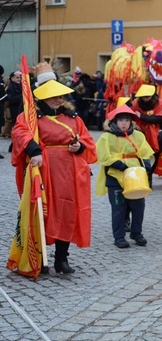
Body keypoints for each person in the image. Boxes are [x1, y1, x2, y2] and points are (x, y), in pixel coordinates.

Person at [11, 79, 97, 274]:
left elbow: (87, 140)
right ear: (43, 98)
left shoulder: (73, 118)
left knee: (66, 212)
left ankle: (61, 258)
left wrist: (80, 146)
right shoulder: (31, 117)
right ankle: (38, 257)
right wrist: (34, 150)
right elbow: (20, 133)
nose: (58, 100)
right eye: (53, 97)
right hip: (42, 170)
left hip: (69, 172)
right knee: (40, 212)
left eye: (60, 96)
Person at [95, 105, 154, 248]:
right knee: (118, 208)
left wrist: (146, 163)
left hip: (135, 175)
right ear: (115, 121)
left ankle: (136, 233)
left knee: (138, 206)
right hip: (115, 175)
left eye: (127, 120)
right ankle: (119, 236)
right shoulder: (106, 137)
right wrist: (118, 164)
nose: (124, 123)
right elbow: (103, 155)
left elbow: (145, 151)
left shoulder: (138, 135)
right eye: (121, 120)